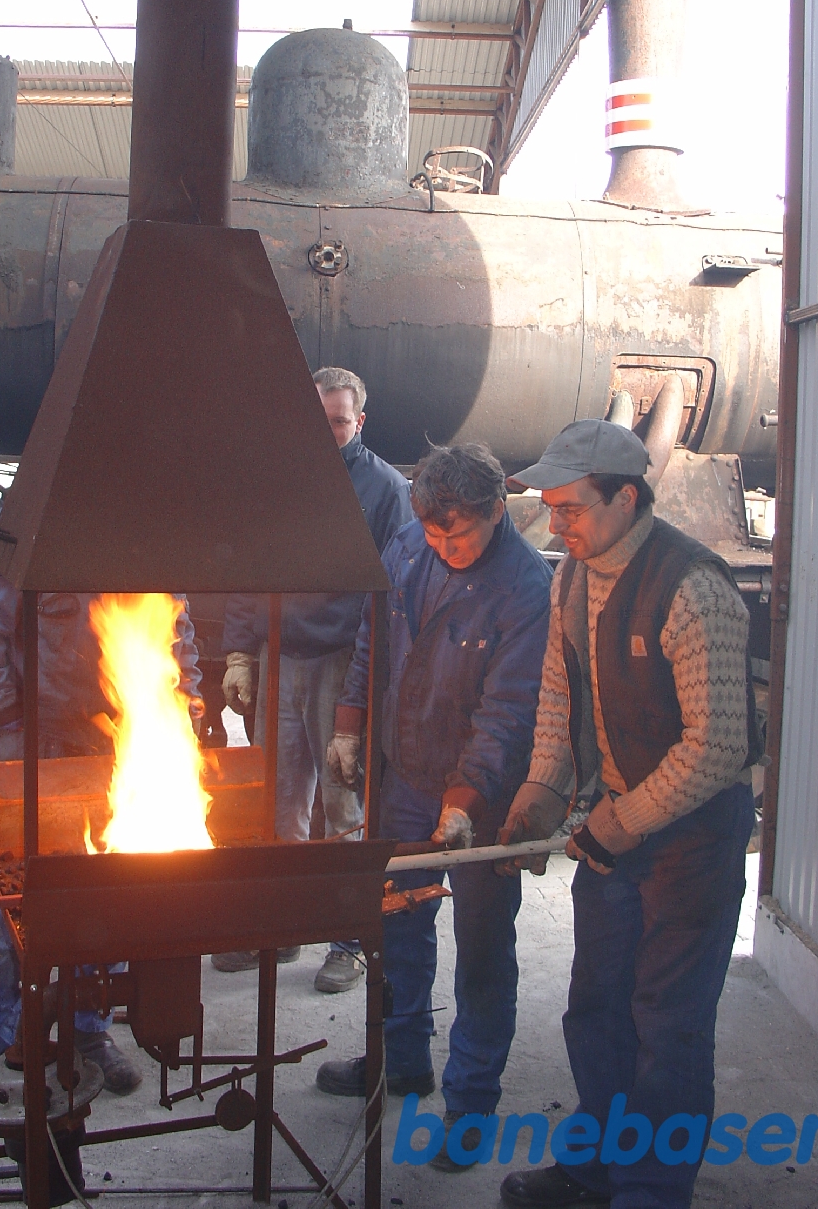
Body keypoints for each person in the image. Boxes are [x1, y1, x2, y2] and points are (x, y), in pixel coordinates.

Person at [496, 420, 761, 1209]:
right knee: (598, 1005)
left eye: (571, 508)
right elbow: (557, 693)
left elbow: (716, 750)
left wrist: (619, 821)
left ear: (626, 497)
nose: (558, 524)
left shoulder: (695, 590)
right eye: (551, 508)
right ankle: (596, 1168)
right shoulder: (571, 578)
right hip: (619, 824)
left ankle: (650, 1191)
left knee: (667, 1021)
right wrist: (542, 789)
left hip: (693, 843)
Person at [315, 443, 553, 1172]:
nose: (445, 548)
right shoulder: (411, 544)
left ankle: (471, 1105)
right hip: (404, 775)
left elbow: (510, 712)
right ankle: (401, 1060)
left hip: (482, 792)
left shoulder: (525, 586)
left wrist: (464, 801)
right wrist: (351, 721)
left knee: (481, 949)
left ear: (496, 512)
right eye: (434, 534)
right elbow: (372, 637)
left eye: (460, 536)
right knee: (397, 925)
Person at [0, 520, 203, 1158]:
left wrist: (185, 701)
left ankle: (86, 1032)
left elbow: (176, 627)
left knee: (105, 901)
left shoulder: (134, 518)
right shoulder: (17, 523)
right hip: (40, 746)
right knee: (15, 911)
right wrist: (8, 736)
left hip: (120, 743)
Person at [217, 367, 414, 993]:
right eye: (316, 419)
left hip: (341, 662)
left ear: (359, 423)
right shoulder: (278, 479)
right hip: (282, 657)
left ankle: (349, 939)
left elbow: (392, 593)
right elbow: (254, 568)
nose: (325, 432)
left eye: (337, 421)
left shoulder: (384, 489)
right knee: (279, 802)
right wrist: (241, 653)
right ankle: (284, 926)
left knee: (342, 800)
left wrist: (365, 686)